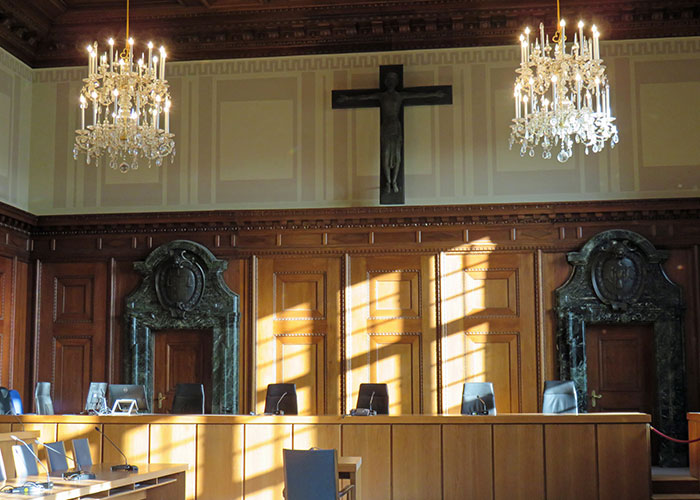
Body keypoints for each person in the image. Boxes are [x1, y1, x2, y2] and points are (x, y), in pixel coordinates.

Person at [336, 72, 445, 194]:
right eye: (388, 80)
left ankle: (394, 181)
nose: (391, 82)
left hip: (396, 127)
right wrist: (347, 98)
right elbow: (364, 97)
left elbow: (418, 95)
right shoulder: (381, 96)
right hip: (386, 127)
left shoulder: (400, 96)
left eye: (393, 80)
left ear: (396, 82)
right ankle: (388, 182)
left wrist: (435, 94)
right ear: (386, 82)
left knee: (397, 156)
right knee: (386, 154)